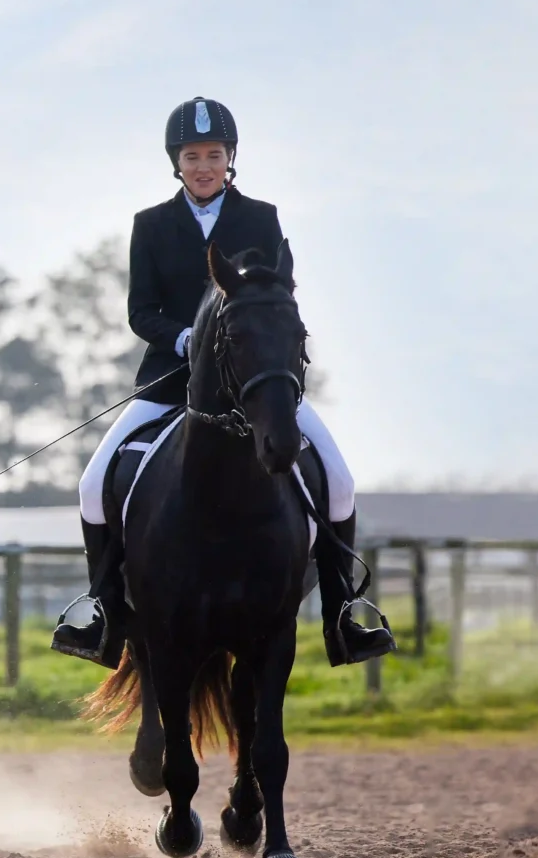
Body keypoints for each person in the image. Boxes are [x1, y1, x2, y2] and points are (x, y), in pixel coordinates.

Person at [52, 97, 394, 668]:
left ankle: (343, 612)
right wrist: (183, 338)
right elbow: (141, 311)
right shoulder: (151, 225)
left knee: (340, 480)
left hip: (255, 383)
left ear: (229, 159)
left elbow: (275, 292)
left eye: (214, 154)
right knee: (93, 486)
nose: (204, 165)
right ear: (177, 163)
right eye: (193, 156)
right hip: (170, 378)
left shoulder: (261, 217)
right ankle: (104, 610)